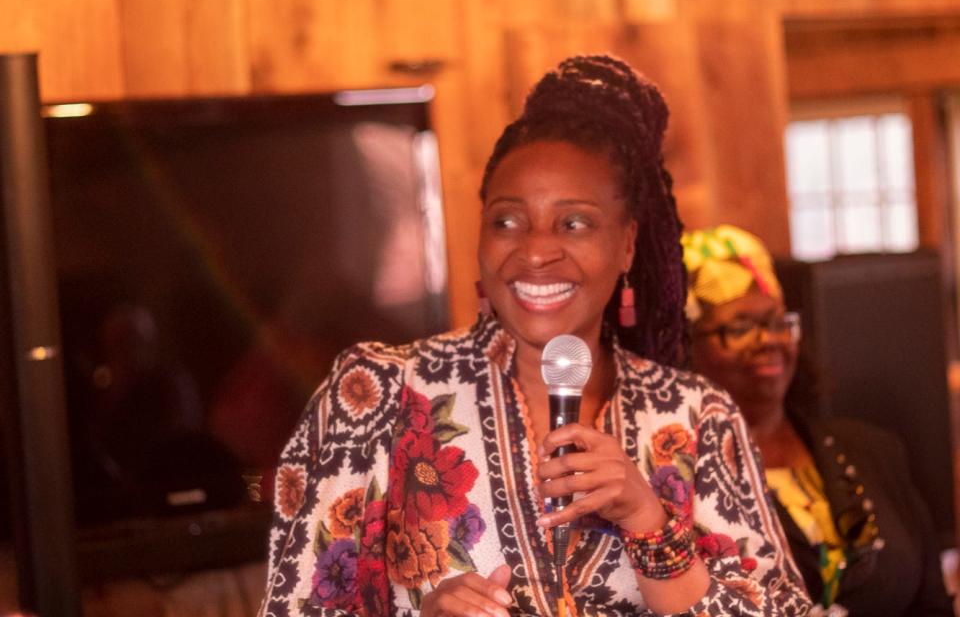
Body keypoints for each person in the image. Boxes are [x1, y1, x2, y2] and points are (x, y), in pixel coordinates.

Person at [260, 56, 811, 616]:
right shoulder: (379, 393)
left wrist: (651, 523)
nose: (535, 250)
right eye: (507, 221)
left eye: (574, 223)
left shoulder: (696, 418)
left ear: (627, 244)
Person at [683, 224, 953, 616]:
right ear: (687, 345)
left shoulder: (872, 450)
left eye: (778, 322)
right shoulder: (678, 479)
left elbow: (931, 603)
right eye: (740, 328)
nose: (769, 340)